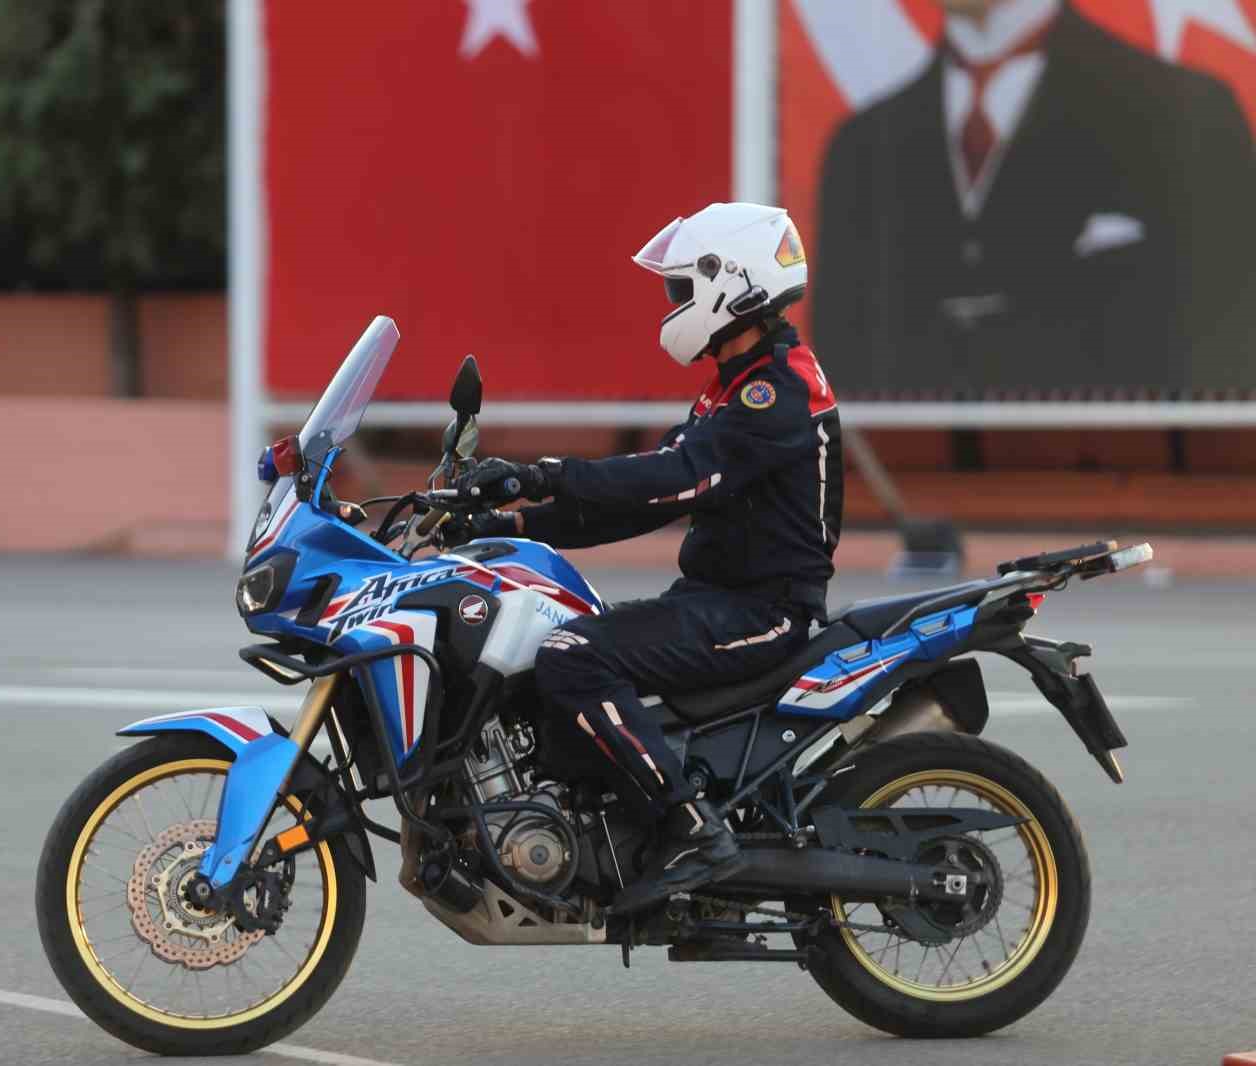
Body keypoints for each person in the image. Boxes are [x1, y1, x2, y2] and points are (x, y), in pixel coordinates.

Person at [453, 202, 844, 914]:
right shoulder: (735, 381)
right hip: (713, 598)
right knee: (554, 645)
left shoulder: (776, 389)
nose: (673, 305)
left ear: (734, 283)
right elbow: (645, 499)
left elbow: (674, 476)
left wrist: (541, 472)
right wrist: (506, 520)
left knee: (573, 655)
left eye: (681, 289)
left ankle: (691, 828)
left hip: (764, 610)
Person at [813, 0, 1256, 392]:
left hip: (1129, 477)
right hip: (908, 481)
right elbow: (841, 378)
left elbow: (1229, 342)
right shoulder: (862, 149)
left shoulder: (1189, 116)